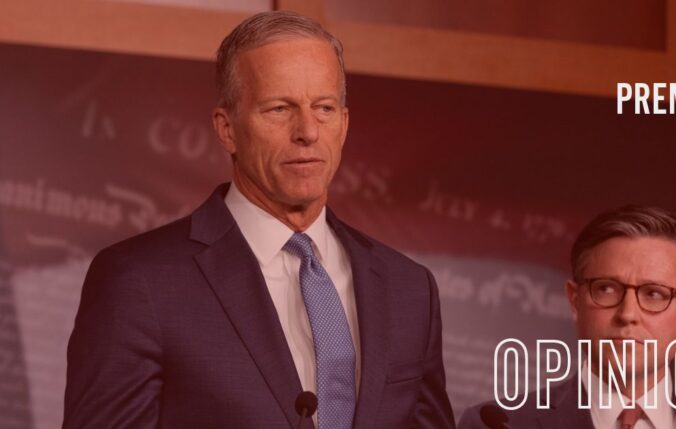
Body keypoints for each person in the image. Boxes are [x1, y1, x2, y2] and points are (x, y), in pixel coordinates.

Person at [63, 11, 454, 429]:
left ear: (343, 124)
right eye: (279, 109)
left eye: (324, 108)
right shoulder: (140, 281)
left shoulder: (408, 288)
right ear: (227, 129)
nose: (307, 131)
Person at [458, 205, 676, 428]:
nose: (628, 314)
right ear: (575, 300)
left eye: (654, 294)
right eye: (606, 289)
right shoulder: (499, 424)